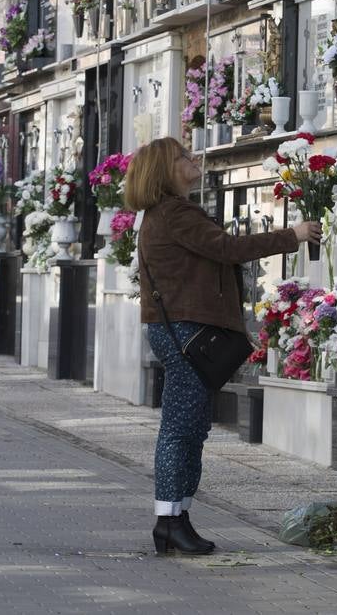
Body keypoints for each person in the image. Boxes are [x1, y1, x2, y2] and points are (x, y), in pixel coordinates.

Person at [124, 137, 321, 555]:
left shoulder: (167, 214)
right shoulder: (175, 213)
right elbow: (229, 249)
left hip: (183, 329)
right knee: (181, 429)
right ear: (166, 170)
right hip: (187, 331)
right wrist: (294, 234)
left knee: (191, 428)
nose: (193, 159)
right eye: (184, 157)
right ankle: (168, 521)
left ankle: (178, 517)